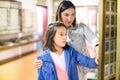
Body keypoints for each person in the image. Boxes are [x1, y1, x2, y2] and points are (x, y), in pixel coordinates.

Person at [35, 0, 99, 80]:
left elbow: (94, 40)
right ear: (59, 14)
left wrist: (97, 51)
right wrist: (40, 61)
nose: (70, 18)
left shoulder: (81, 27)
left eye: (73, 14)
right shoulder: (54, 29)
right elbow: (48, 49)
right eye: (66, 15)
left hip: (81, 70)